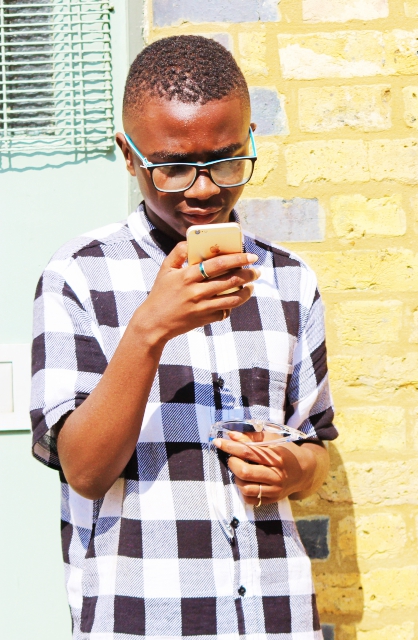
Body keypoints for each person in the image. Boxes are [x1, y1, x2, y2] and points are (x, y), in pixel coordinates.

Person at [30, 36, 336, 639]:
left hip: (277, 618)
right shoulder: (77, 277)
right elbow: (85, 471)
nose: (202, 190)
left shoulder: (290, 281)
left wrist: (291, 469)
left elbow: (317, 446)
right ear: (129, 154)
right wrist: (151, 327)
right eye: (172, 168)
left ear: (250, 140)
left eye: (226, 161)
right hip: (145, 618)